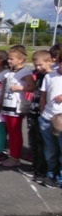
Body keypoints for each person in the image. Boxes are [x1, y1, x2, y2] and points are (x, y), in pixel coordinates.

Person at [0, 45, 35, 168]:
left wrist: (20, 87)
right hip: (7, 105)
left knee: (15, 133)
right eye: (9, 59)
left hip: (16, 106)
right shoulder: (10, 72)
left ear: (21, 59)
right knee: (10, 132)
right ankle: (12, 156)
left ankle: (15, 158)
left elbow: (32, 86)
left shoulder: (25, 72)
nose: (9, 61)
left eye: (12, 59)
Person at [22, 50, 52, 179]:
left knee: (42, 144)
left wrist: (43, 111)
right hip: (33, 111)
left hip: (43, 114)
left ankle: (41, 170)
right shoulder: (39, 75)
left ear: (49, 61)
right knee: (33, 141)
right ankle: (35, 166)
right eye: (36, 65)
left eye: (40, 65)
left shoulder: (51, 76)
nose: (38, 68)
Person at [38, 49, 62, 188]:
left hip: (61, 122)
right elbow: (43, 96)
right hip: (47, 119)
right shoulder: (50, 76)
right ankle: (51, 174)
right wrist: (42, 113)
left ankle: (60, 178)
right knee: (50, 150)